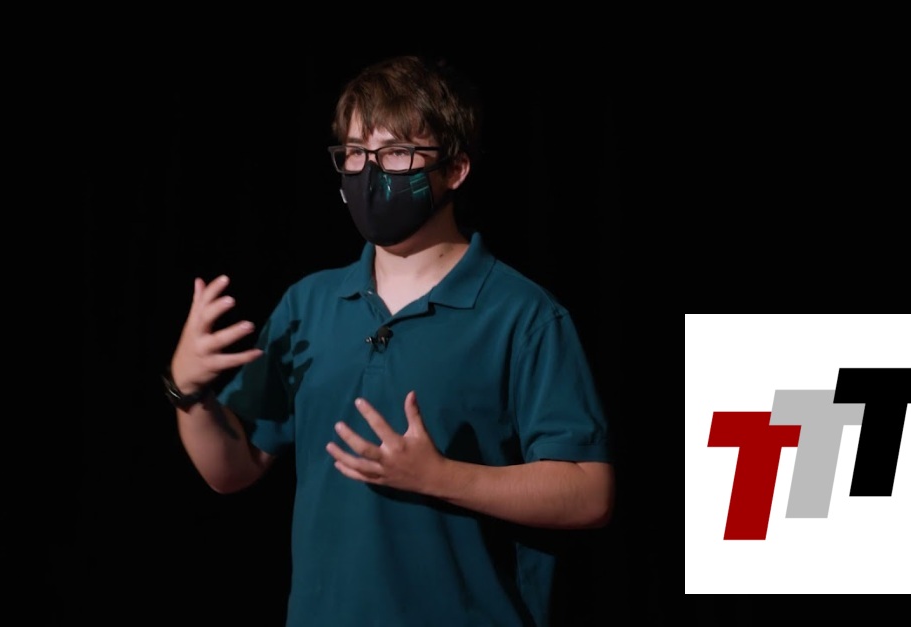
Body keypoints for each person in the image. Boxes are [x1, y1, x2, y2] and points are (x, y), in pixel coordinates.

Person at [163, 54, 614, 627]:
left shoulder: (523, 315)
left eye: (396, 152)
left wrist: (442, 478)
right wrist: (188, 391)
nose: (370, 172)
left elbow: (588, 493)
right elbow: (233, 469)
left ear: (455, 169)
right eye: (355, 152)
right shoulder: (309, 305)